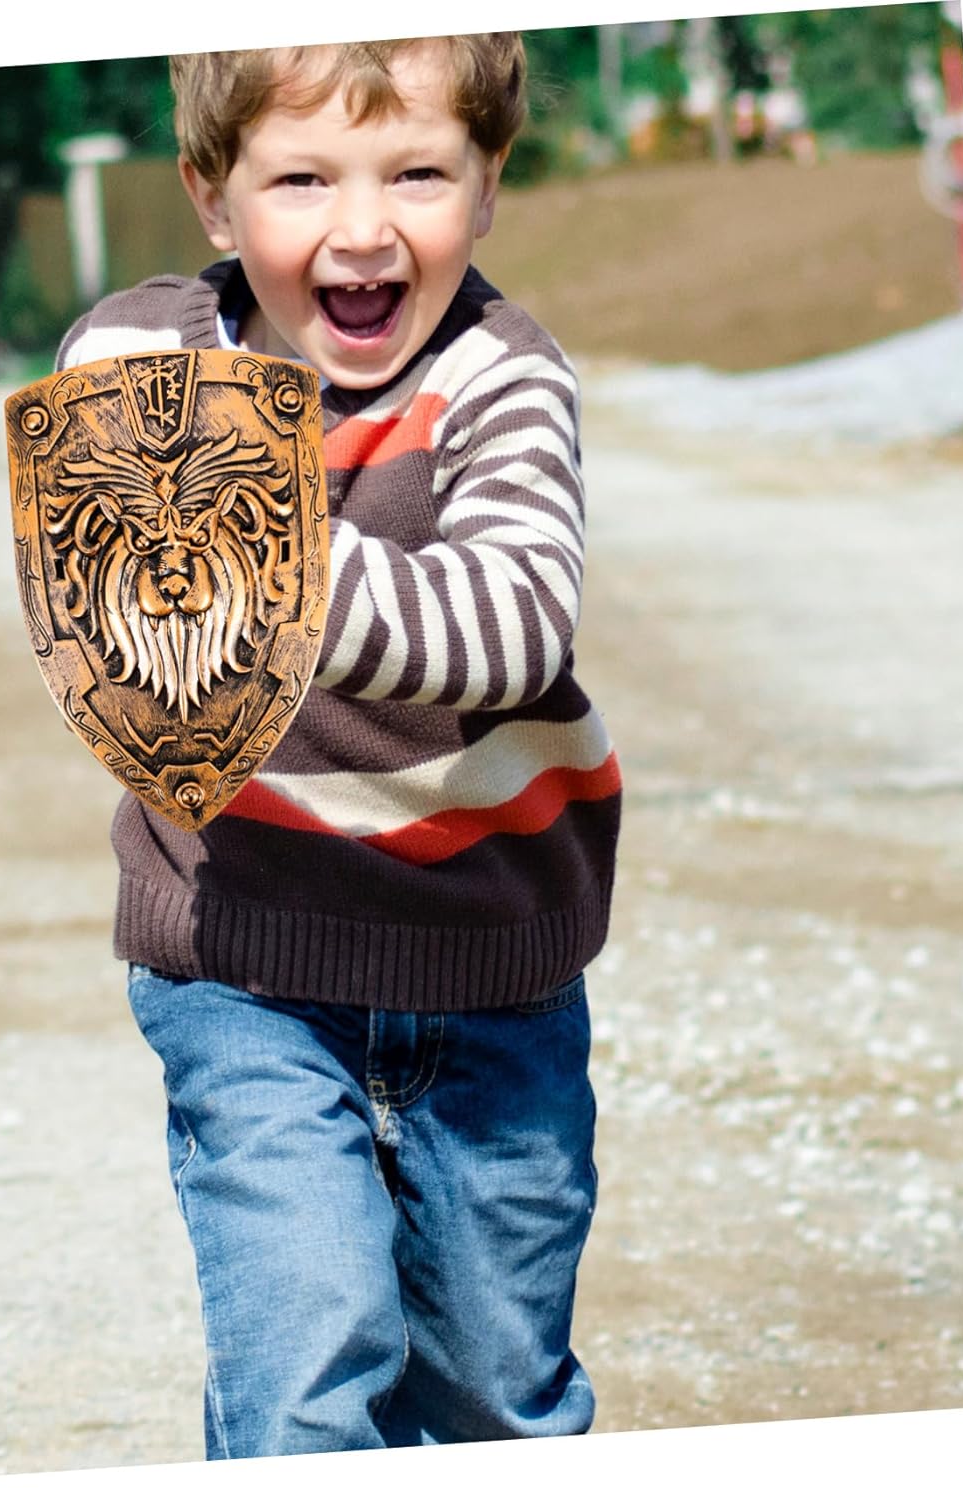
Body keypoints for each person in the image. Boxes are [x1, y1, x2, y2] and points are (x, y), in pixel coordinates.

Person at [55, 33, 622, 1458]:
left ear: (488, 184)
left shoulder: (502, 376)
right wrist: (189, 557)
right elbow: (112, 590)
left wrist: (249, 558)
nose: (362, 229)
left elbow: (508, 625)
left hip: (490, 967)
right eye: (302, 179)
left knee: (500, 1393)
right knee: (306, 1359)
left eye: (417, 173)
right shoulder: (141, 356)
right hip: (245, 966)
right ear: (212, 194)